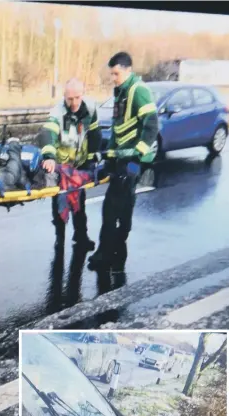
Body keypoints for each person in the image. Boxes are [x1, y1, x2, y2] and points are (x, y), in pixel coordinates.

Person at [89, 52, 158, 271]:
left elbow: (152, 125)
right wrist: (108, 158)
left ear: (128, 70)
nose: (113, 78)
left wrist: (136, 157)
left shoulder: (138, 91)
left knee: (114, 205)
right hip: (121, 159)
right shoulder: (120, 93)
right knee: (120, 203)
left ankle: (107, 251)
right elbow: (119, 131)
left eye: (116, 73)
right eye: (112, 74)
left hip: (133, 160)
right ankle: (116, 245)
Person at [38, 78, 102, 250]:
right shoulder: (57, 113)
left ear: (83, 94)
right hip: (61, 166)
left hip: (79, 164)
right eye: (69, 99)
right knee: (60, 202)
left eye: (77, 98)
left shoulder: (90, 109)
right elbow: (47, 133)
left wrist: (93, 158)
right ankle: (60, 240)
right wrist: (49, 156)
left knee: (79, 203)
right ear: (64, 97)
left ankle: (81, 236)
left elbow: (95, 134)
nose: (73, 103)